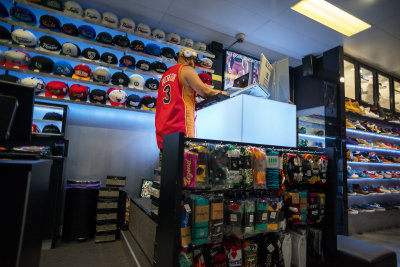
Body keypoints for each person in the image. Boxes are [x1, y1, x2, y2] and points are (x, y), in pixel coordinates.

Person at [155, 47, 226, 149]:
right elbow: (205, 91)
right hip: (180, 129)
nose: (193, 63)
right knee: (184, 164)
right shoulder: (186, 69)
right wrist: (222, 93)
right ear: (185, 57)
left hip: (163, 132)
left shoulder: (166, 74)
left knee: (166, 163)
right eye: (192, 59)